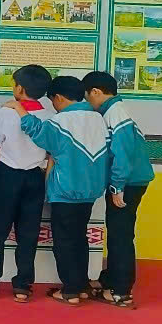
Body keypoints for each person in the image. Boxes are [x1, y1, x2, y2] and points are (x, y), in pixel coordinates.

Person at [7, 75, 110, 306]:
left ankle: (70, 291)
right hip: (91, 190)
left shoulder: (61, 121)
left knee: (64, 241)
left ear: (59, 98)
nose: (52, 105)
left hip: (66, 190)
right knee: (79, 238)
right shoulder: (98, 118)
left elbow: (38, 133)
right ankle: (81, 285)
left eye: (52, 100)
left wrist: (19, 109)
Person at [0, 64, 53, 303]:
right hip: (35, 177)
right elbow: (51, 154)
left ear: (20, 89)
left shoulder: (7, 112)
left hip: (7, 176)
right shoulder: (50, 116)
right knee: (28, 234)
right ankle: (22, 287)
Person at [83, 71, 154, 308]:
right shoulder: (114, 111)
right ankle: (109, 280)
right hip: (128, 181)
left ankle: (121, 291)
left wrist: (117, 186)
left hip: (128, 183)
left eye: (87, 97)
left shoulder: (116, 113)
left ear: (95, 92)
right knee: (115, 232)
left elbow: (123, 154)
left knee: (121, 235)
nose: (87, 102)